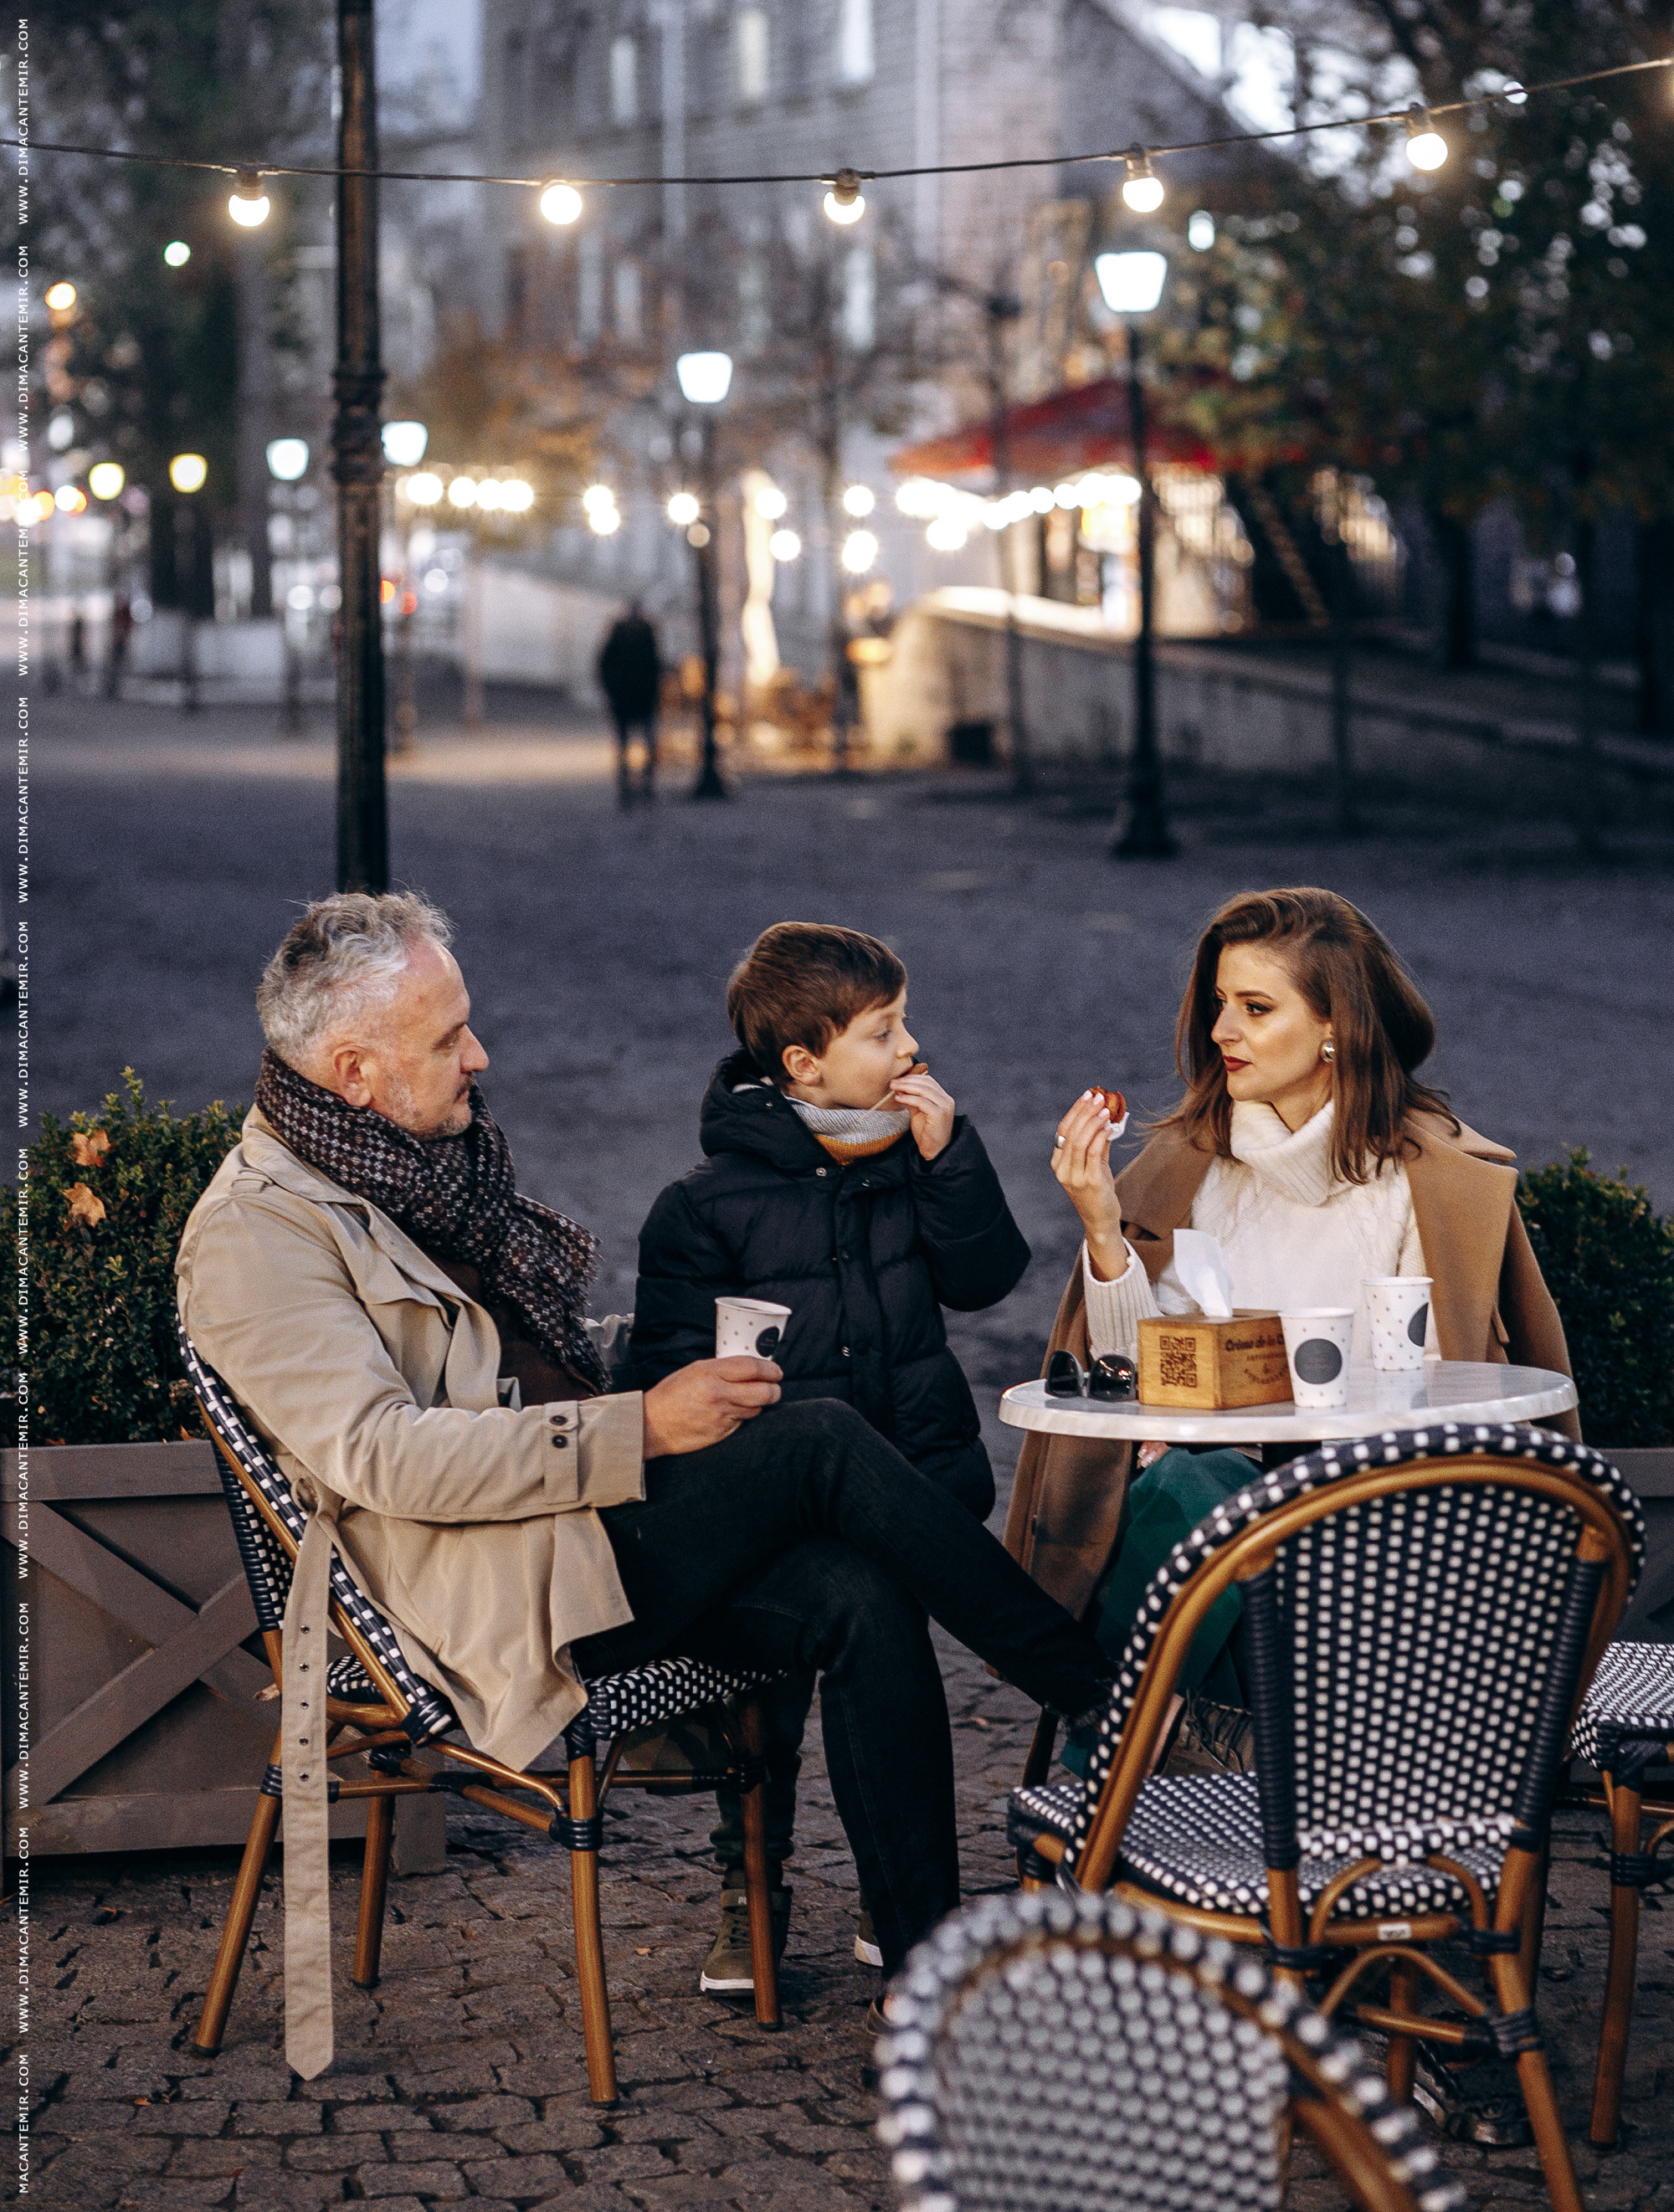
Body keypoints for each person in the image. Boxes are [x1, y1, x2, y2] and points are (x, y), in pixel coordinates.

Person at [176, 892, 1112, 2079]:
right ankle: (1091, 1694)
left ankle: (923, 1982)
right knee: (819, 1440)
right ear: (355, 1073)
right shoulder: (259, 1236)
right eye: (448, 1037)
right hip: (489, 1593)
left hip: (580, 1529)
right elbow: (387, 1458)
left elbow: (520, 1366)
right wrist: (639, 1425)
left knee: (857, 1585)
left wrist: (652, 1390)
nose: (481, 1055)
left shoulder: (414, 1162)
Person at [1004, 885, 1577, 1762]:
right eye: (1217, 1005)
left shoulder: (1425, 1181)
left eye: (1254, 1008)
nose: (1220, 1031)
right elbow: (1136, 1369)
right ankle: (1176, 1765)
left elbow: (1436, 1385)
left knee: (1196, 1500)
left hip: (1370, 1513)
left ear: (1334, 1028)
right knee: (1192, 1488)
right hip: (1207, 1499)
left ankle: (1108, 1759)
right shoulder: (1191, 1163)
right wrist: (1101, 1226)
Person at [629, 921, 1029, 1994]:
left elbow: (988, 1278)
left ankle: (891, 1901)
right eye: (884, 1030)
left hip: (910, 1483)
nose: (911, 1049)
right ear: (804, 1063)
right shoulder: (701, 1208)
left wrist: (954, 1163)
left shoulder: (912, 1161)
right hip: (774, 1515)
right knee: (766, 1707)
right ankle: (747, 1887)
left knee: (883, 1665)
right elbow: (666, 1384)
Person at [597, 601, 661, 802]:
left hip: (637, 699)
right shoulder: (640, 635)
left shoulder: (641, 635)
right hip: (631, 700)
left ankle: (638, 787)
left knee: (638, 745)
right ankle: (632, 788)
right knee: (629, 746)